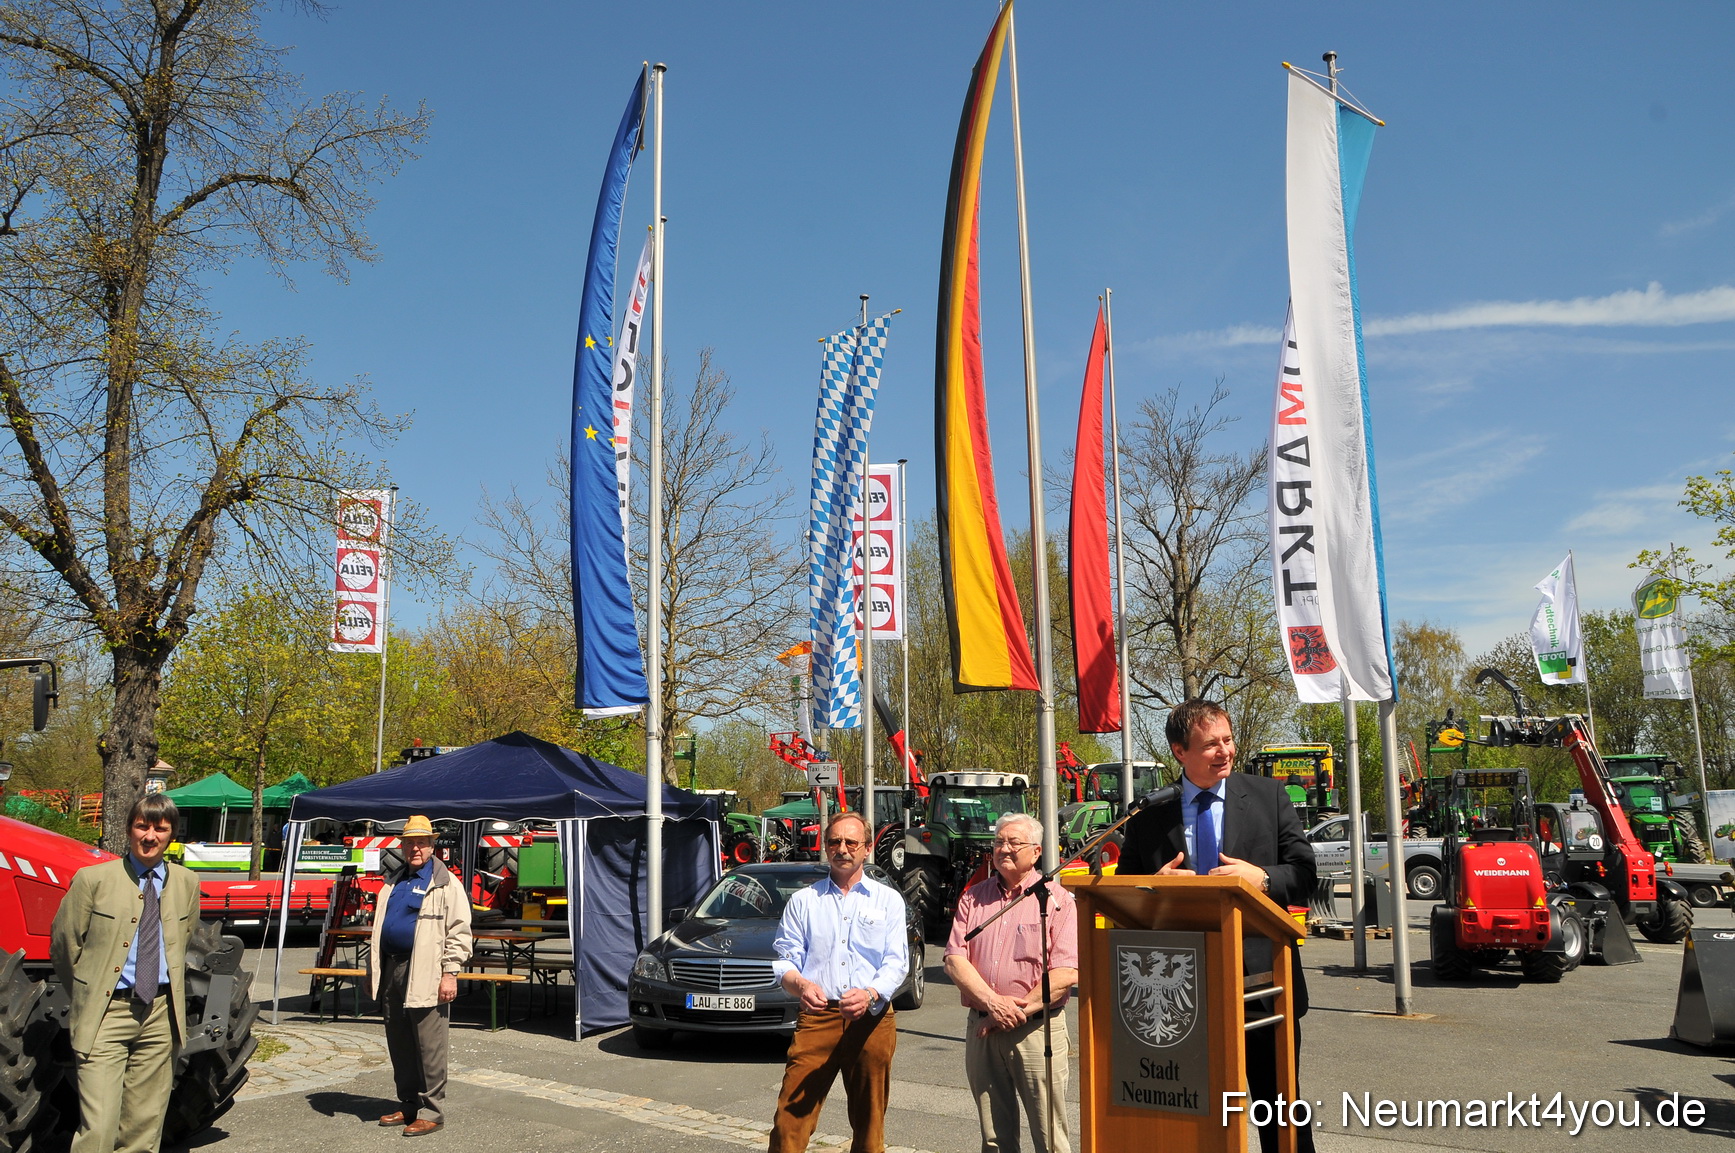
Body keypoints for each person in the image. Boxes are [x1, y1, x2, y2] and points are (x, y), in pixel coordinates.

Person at [1120, 699, 1318, 1153]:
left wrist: (1261, 878)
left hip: (1263, 984)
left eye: (1227, 740)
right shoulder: (1150, 812)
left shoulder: (1269, 796)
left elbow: (1305, 873)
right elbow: (1125, 889)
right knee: (1192, 1111)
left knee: (1279, 1108)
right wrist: (1155, 885)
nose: (1225, 751)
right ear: (1179, 751)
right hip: (1179, 990)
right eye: (1211, 744)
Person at [51, 793, 200, 1153]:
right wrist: (89, 991)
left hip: (161, 1014)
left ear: (172, 833)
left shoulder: (186, 882)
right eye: (142, 826)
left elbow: (184, 939)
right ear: (129, 829)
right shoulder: (94, 880)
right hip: (106, 1013)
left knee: (143, 1128)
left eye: (160, 829)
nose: (149, 836)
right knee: (99, 1128)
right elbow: (64, 945)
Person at [769, 811, 909, 1153]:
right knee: (789, 1122)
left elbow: (896, 962)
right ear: (825, 846)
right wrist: (801, 985)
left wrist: (871, 993)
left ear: (867, 848)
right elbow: (784, 960)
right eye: (834, 842)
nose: (842, 849)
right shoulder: (804, 901)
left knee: (869, 1125)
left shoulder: (887, 900)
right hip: (817, 1018)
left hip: (872, 1019)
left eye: (851, 842)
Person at [944, 812, 1077, 1153]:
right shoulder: (973, 898)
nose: (1004, 849)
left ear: (1036, 851)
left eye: (1014, 842)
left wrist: (1014, 1011)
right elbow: (955, 960)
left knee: (1050, 1136)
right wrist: (993, 1004)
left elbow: (1065, 972)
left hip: (1037, 1031)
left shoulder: (1057, 900)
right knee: (994, 1139)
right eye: (999, 842)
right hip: (983, 1030)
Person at [369, 814, 472, 1136]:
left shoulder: (445, 883)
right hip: (392, 968)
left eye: (422, 843)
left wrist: (450, 973)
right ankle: (409, 1103)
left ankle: (432, 1111)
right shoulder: (394, 880)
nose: (415, 848)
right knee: (399, 1041)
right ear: (402, 846)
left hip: (426, 971)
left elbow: (460, 932)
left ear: (432, 846)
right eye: (410, 842)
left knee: (430, 1045)